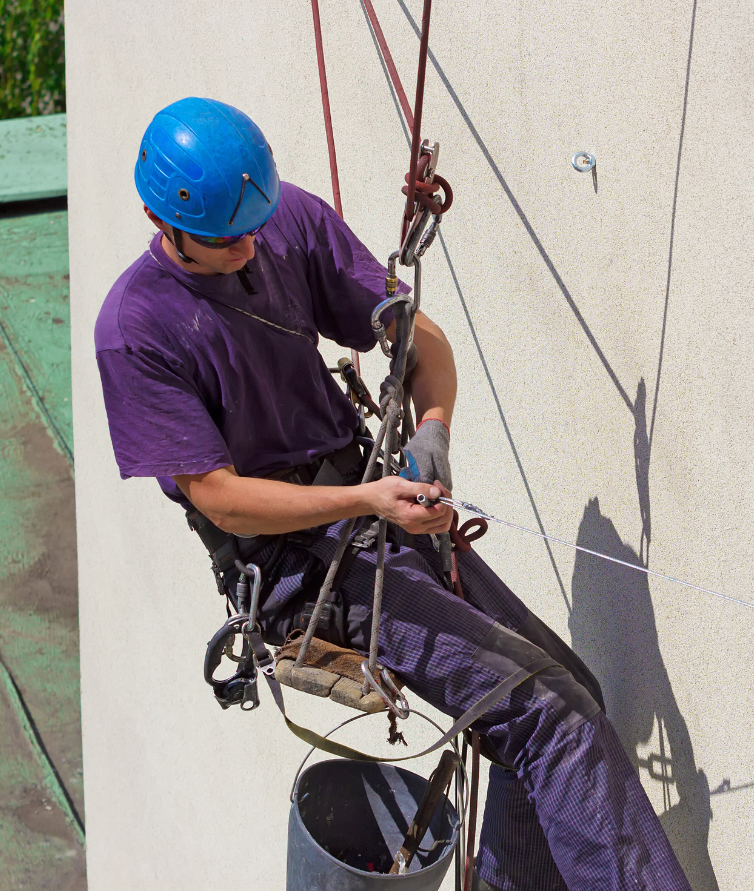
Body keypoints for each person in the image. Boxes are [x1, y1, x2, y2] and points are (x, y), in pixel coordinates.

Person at [94, 97, 692, 891]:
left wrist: (434, 426)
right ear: (158, 218)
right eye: (221, 239)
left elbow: (418, 338)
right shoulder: (137, 328)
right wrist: (366, 503)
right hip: (300, 573)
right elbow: (221, 498)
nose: (245, 248)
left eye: (252, 228)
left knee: (565, 693)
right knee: (551, 718)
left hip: (373, 519)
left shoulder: (287, 223)